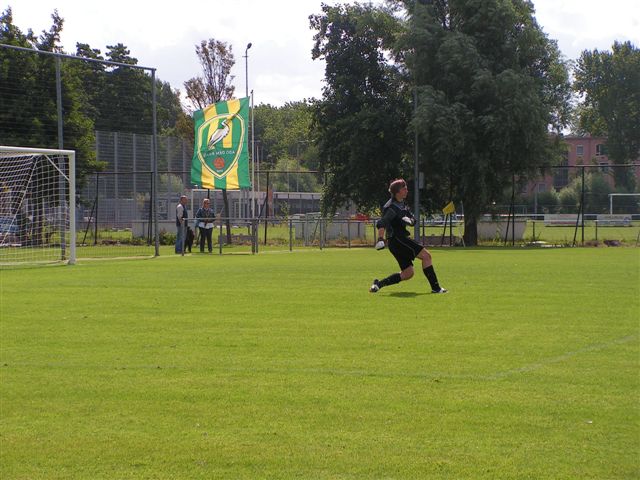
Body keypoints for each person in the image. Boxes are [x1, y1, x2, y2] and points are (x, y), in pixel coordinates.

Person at [370, 178, 447, 294]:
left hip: (397, 242)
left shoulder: (402, 204)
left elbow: (413, 219)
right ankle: (436, 288)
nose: (407, 190)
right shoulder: (392, 207)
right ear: (397, 192)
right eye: (404, 188)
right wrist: (380, 238)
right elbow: (382, 222)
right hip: (398, 239)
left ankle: (378, 284)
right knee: (427, 256)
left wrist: (410, 221)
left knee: (408, 273)